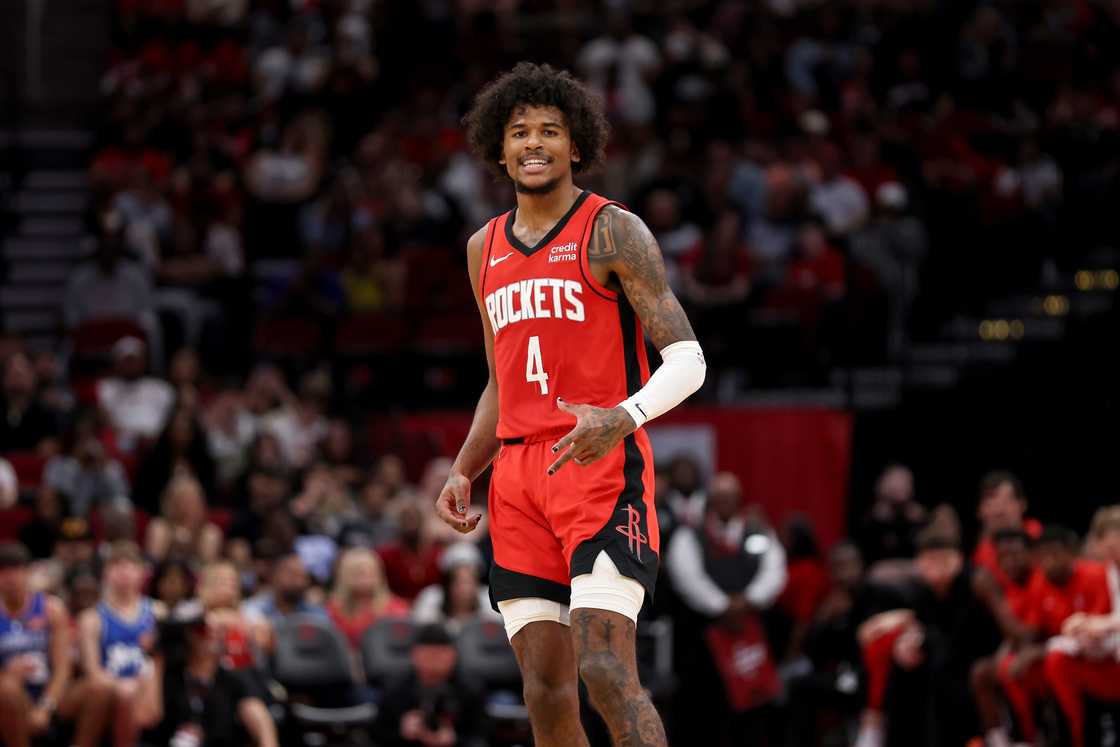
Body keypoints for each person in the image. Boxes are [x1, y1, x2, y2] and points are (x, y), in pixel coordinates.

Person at [435, 63, 705, 747]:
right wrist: (466, 466)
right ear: (498, 149)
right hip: (518, 482)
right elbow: (501, 380)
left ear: (576, 145)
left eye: (550, 131)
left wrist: (623, 416)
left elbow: (689, 361)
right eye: (519, 131)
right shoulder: (482, 248)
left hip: (600, 467)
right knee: (545, 693)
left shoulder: (613, 231)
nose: (533, 142)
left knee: (607, 669)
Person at [0, 542, 115, 747]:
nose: (10, 578)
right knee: (6, 688)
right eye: (3, 572)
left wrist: (45, 707)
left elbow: (63, 668)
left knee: (101, 687)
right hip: (11, 694)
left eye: (16, 570)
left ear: (28, 573)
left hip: (52, 693)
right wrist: (7, 674)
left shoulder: (51, 608)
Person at [77, 541, 164, 747]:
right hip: (106, 695)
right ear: (106, 573)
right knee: (124, 693)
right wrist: (125, 688)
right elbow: (93, 673)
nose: (124, 571)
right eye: (116, 565)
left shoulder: (158, 612)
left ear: (143, 573)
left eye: (131, 565)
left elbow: (159, 663)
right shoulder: (92, 618)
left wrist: (152, 696)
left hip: (146, 691)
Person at [374, 623, 486, 747]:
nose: (433, 664)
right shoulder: (396, 688)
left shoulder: (470, 688)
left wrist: (456, 739)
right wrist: (400, 730)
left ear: (453, 656)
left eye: (439, 657)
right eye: (428, 656)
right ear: (414, 655)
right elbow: (375, 735)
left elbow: (483, 736)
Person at [326, 547, 409, 649]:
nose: (364, 573)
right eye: (357, 570)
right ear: (344, 575)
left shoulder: (397, 610)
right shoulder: (331, 610)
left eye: (369, 570)